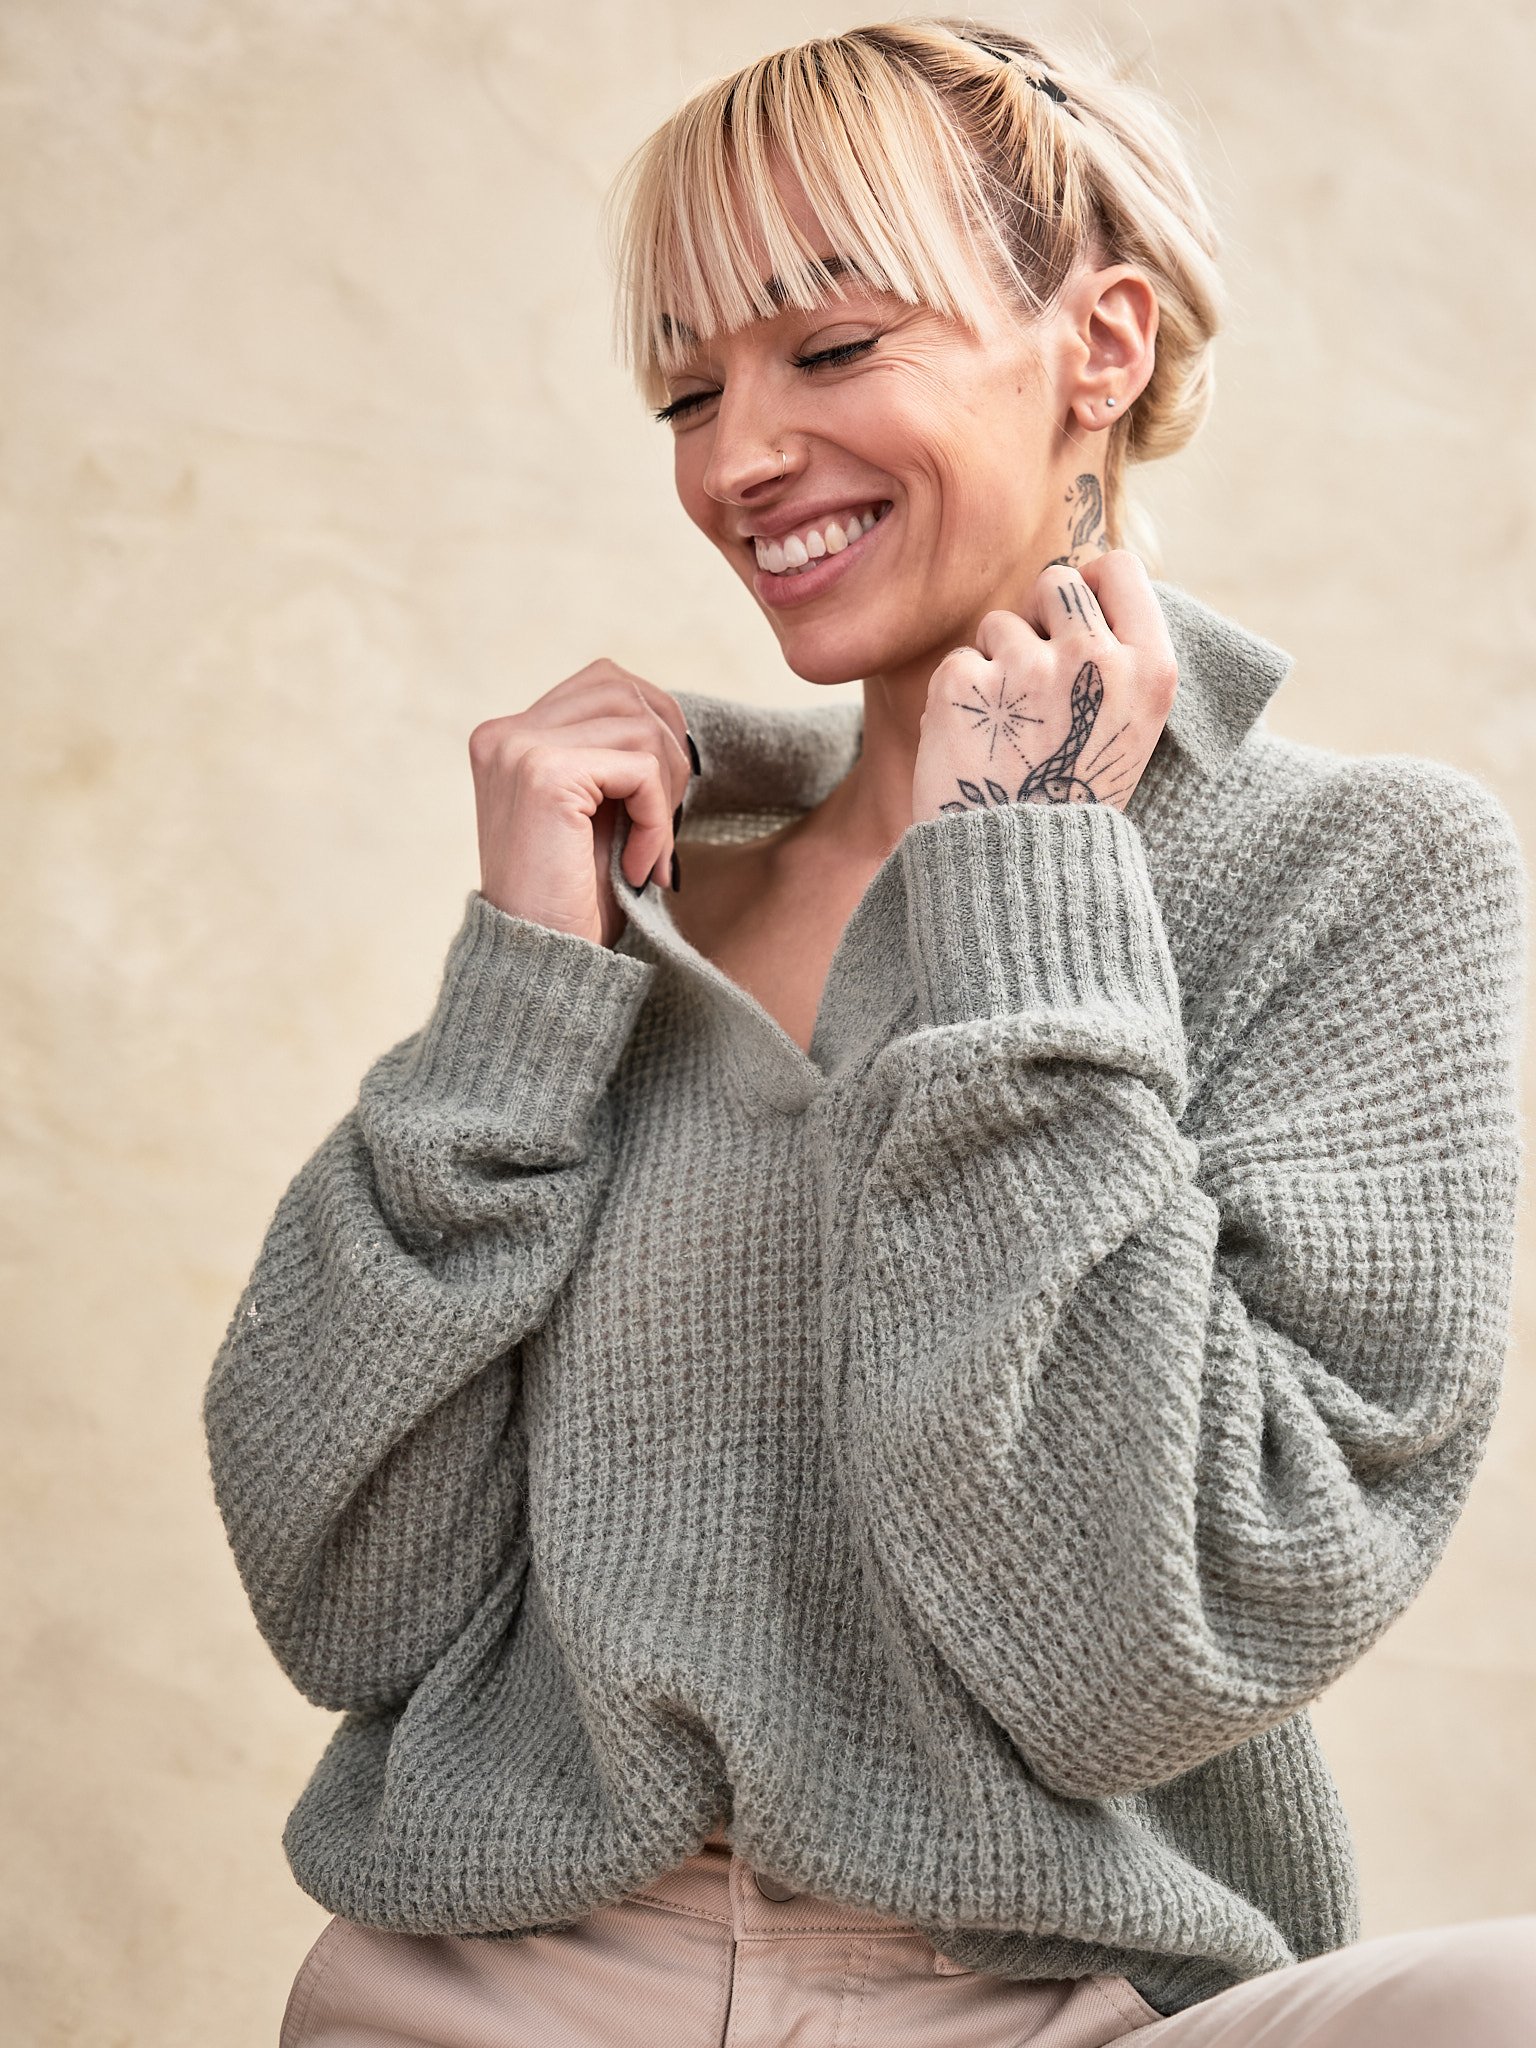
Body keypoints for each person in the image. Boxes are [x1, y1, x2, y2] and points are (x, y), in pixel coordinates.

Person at [203, 18, 1534, 2046]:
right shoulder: (629, 900)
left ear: (1101, 344)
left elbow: (1135, 1657)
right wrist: (518, 1001)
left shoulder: (1361, 874)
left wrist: (1026, 881)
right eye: (686, 390)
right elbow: (343, 1601)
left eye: (831, 349)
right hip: (511, 1994)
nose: (735, 460)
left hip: (1060, 2003)